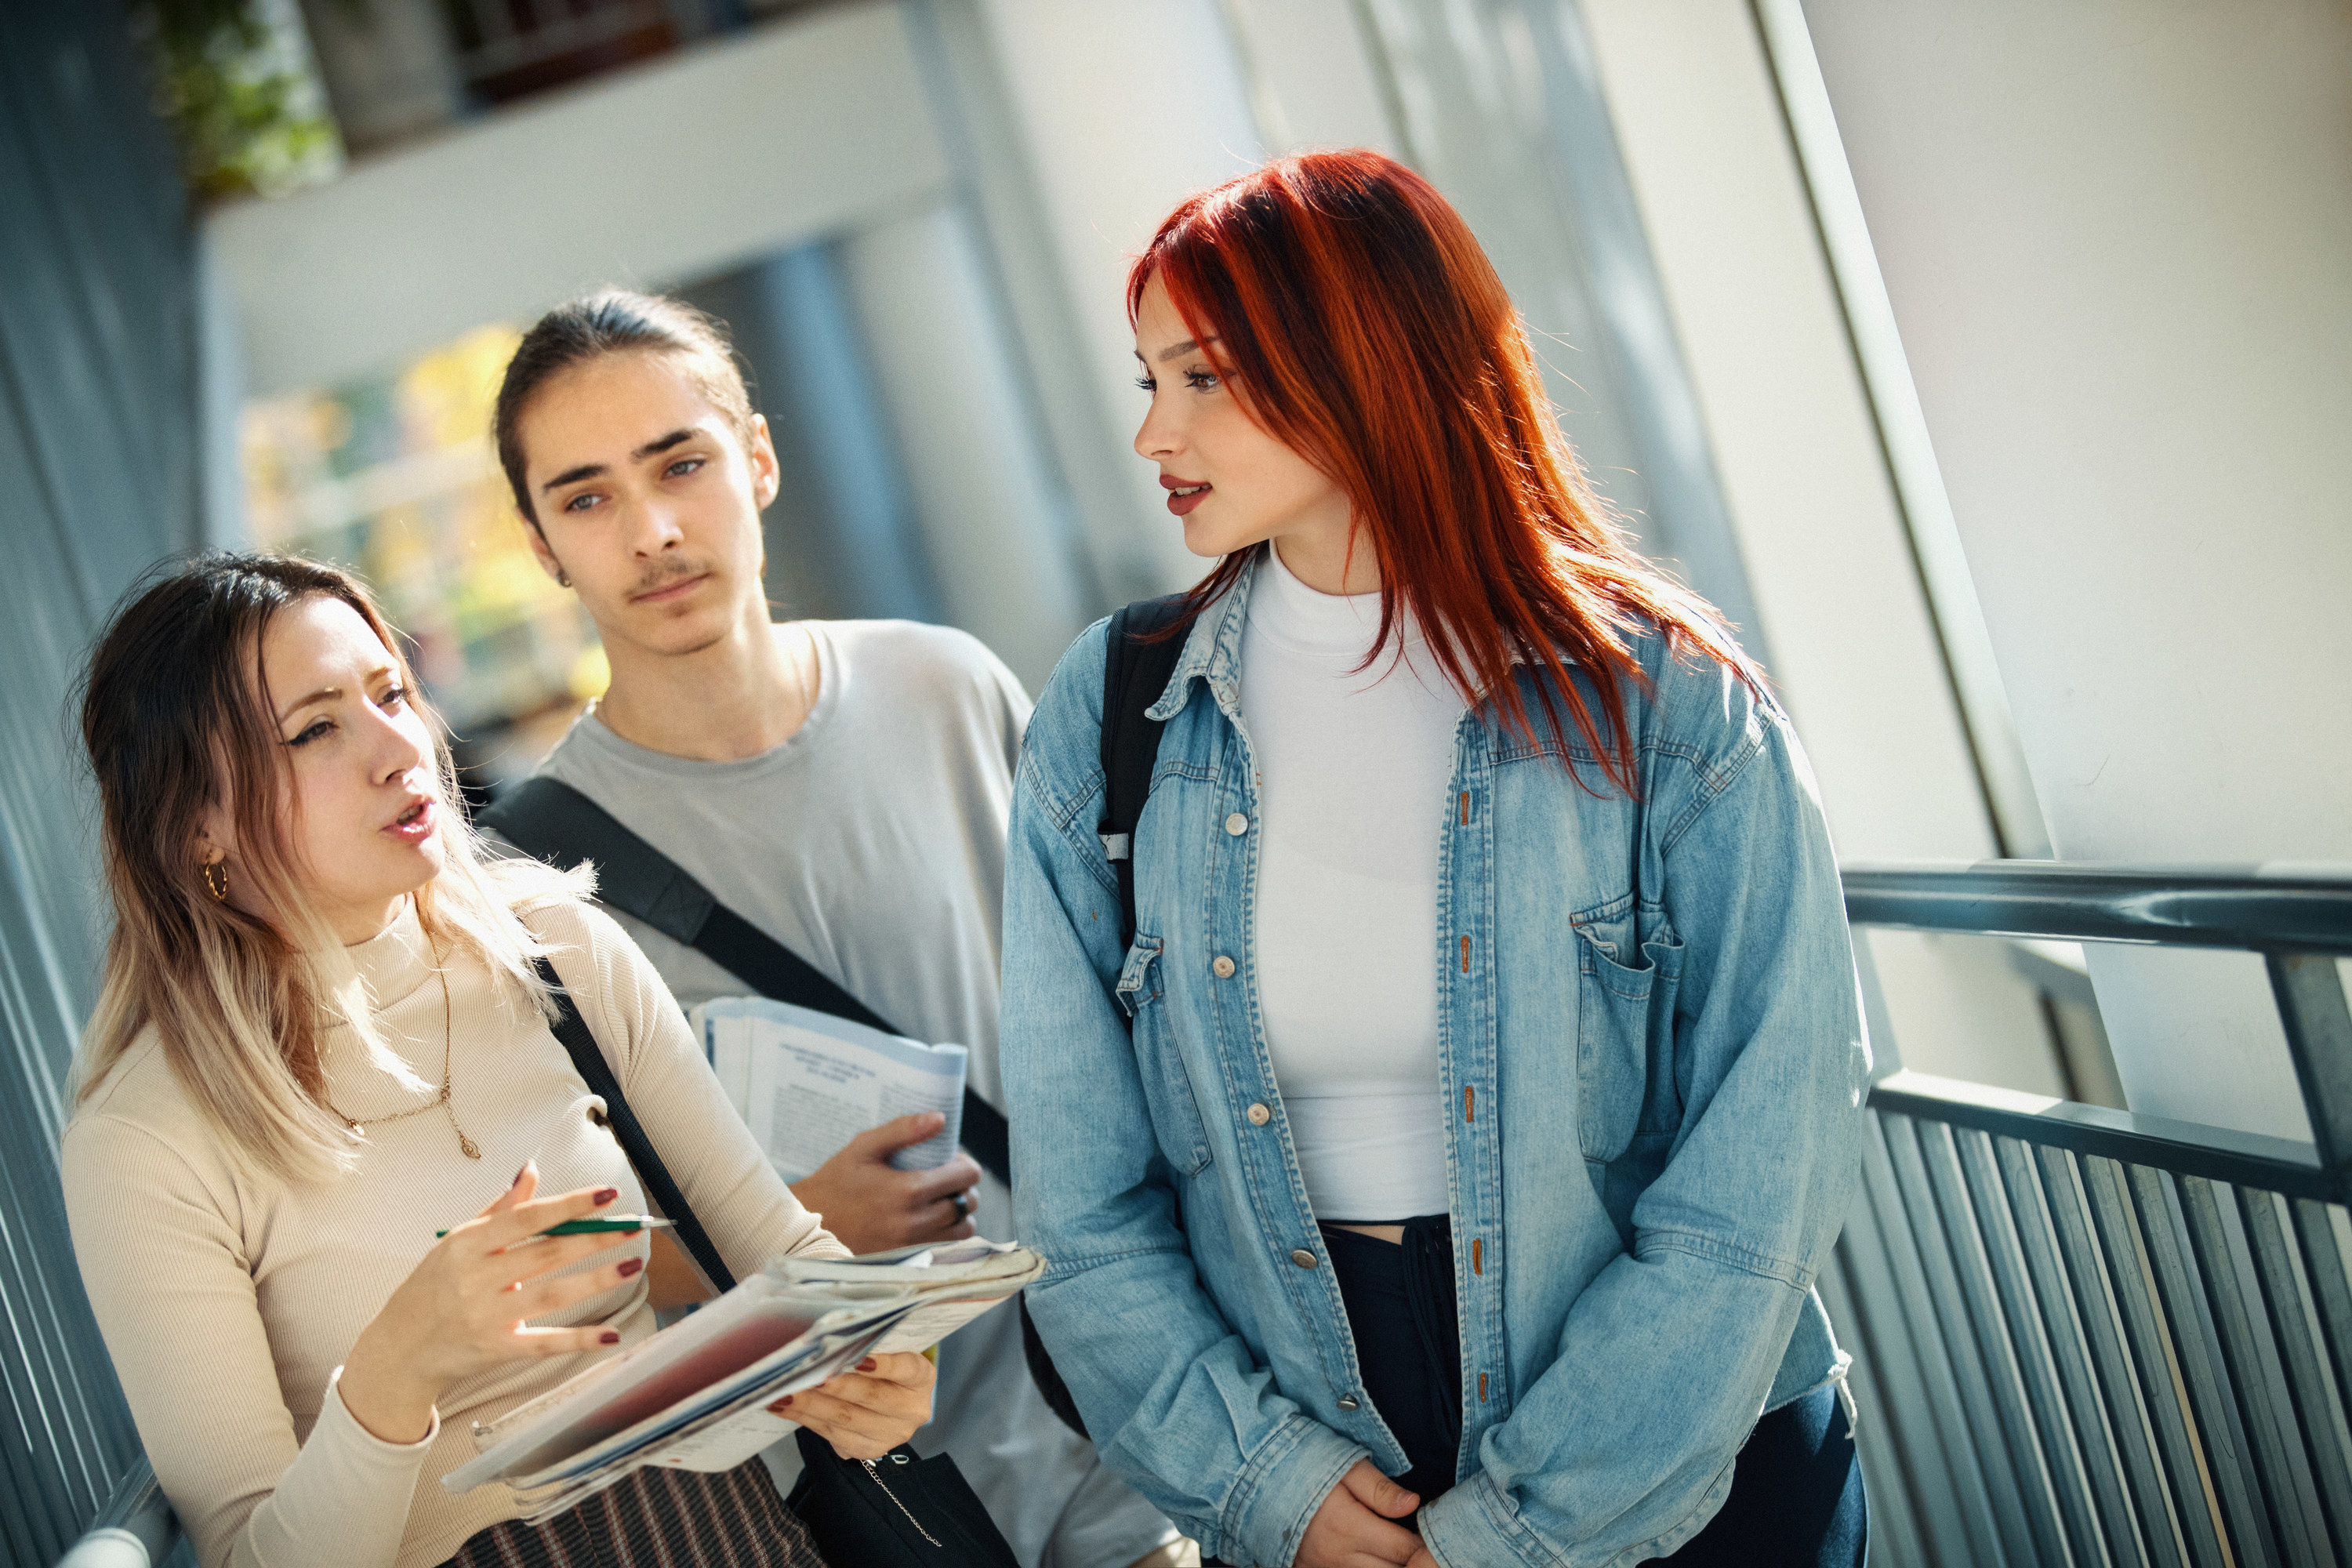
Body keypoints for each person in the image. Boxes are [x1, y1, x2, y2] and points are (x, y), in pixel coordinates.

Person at [1001, 150, 1871, 1567]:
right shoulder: (1115, 716)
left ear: (1364, 363)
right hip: (1320, 1459)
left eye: (1205, 378)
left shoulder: (1667, 700)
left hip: (1684, 1458)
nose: (1155, 431)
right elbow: (1082, 1208)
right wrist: (1268, 1483)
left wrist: (1531, 1522)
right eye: (1147, 378)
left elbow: (1773, 1148)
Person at [61, 553, 935, 1568]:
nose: (399, 748)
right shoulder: (146, 1138)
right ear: (196, 824)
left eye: (390, 691)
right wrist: (398, 1368)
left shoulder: (560, 951)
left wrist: (880, 1366)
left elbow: (784, 1252)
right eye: (315, 730)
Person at [486, 290, 1179, 1568]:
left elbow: (1137, 1013)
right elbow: (548, 1257)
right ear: (542, 546)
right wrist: (785, 1227)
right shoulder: (525, 873)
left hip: (1152, 1437)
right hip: (880, 1502)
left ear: (756, 456)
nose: (651, 531)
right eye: (585, 498)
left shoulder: (947, 686)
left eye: (680, 464)